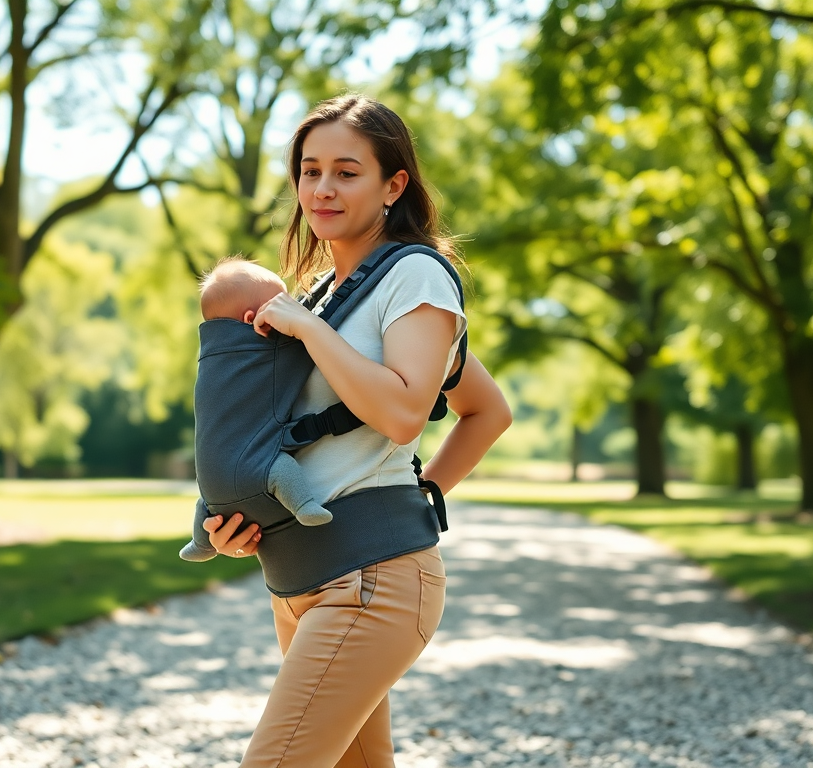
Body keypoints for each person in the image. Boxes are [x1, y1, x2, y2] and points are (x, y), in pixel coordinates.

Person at [199, 94, 512, 766]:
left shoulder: (417, 276)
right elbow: (491, 407)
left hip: (371, 582)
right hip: (299, 581)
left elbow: (405, 412)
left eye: (346, 171)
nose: (322, 188)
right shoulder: (321, 295)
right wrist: (239, 522)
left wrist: (414, 500)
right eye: (310, 171)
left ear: (393, 184)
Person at [179, 258, 334, 563]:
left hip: (211, 488)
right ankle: (305, 506)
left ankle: (201, 540)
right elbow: (310, 348)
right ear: (252, 319)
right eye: (281, 303)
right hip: (256, 472)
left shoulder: (211, 358)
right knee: (279, 469)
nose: (289, 308)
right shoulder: (267, 349)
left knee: (207, 502)